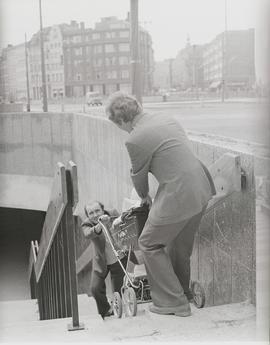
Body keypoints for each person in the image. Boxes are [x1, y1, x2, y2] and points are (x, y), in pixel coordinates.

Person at [105, 92, 216, 317]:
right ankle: (183, 293)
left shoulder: (134, 139)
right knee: (179, 247)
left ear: (122, 121)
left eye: (119, 126)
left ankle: (173, 303)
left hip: (179, 193)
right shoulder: (167, 118)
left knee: (149, 243)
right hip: (201, 186)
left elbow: (139, 176)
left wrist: (144, 195)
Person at [81, 200, 127, 319]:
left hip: (118, 258)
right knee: (95, 288)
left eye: (97, 211)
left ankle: (118, 309)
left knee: (118, 290)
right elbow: (88, 234)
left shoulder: (112, 214)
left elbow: (124, 224)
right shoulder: (87, 224)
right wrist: (99, 226)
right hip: (101, 261)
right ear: (88, 217)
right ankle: (106, 311)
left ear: (103, 209)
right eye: (91, 213)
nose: (95, 215)